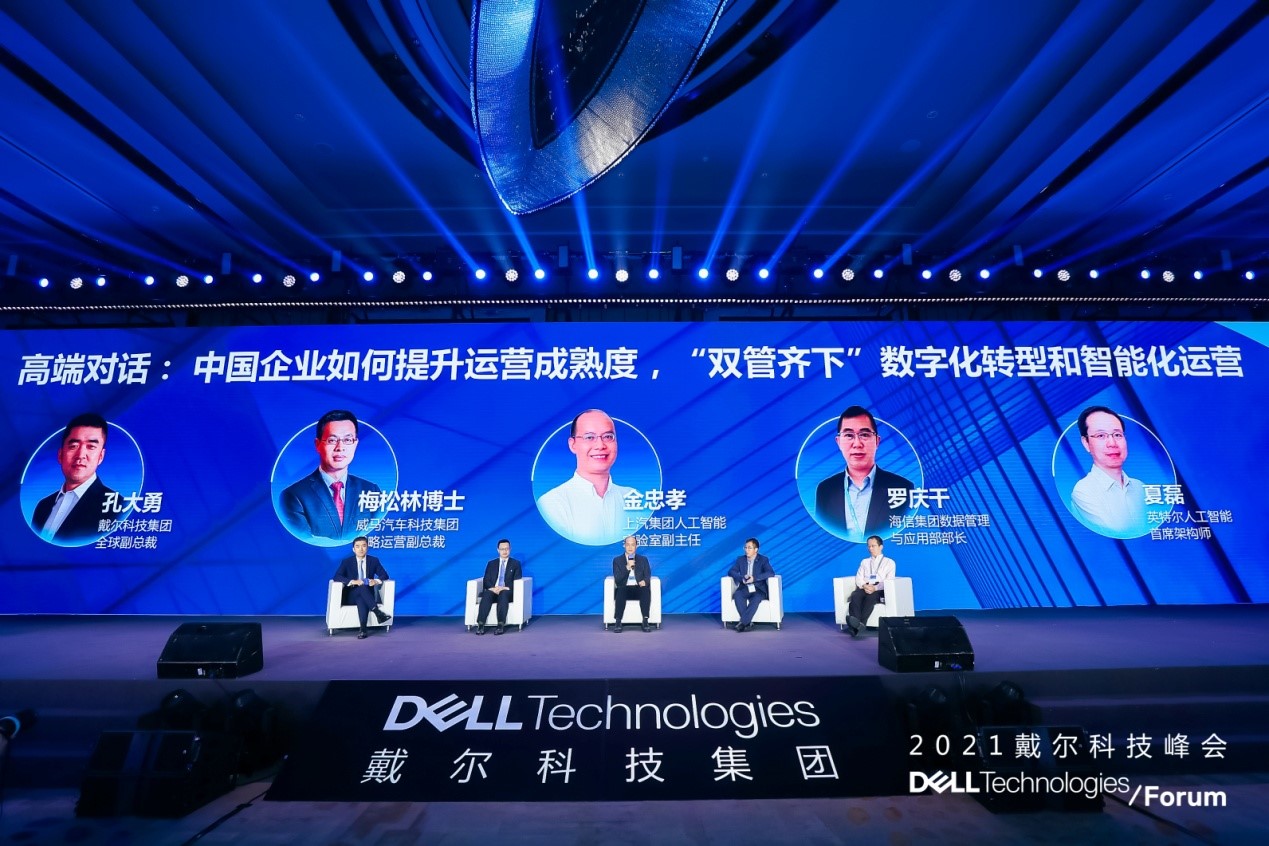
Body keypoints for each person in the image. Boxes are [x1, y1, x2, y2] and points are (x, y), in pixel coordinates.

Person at [537, 409, 641, 546]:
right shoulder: (553, 503)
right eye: (589, 437)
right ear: (572, 444)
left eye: (608, 437)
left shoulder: (633, 498)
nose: (600, 445)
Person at [280, 410, 384, 542]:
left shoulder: (371, 490)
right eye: (332, 440)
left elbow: (377, 532)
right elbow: (306, 542)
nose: (340, 447)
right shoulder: (294, 495)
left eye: (347, 440)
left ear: (355, 444)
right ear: (318, 444)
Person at [815, 405, 915, 541]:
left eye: (865, 435)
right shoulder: (825, 490)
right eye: (849, 435)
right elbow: (821, 537)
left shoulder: (903, 488)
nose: (857, 444)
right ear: (838, 442)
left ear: (877, 441)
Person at [30, 413, 117, 544]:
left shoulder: (115, 507)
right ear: (60, 455)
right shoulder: (43, 506)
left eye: (91, 447)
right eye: (73, 446)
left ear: (101, 456)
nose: (80, 455)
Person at [1070, 406, 1147, 537]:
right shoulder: (1083, 491)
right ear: (1086, 443)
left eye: (1117, 435)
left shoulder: (1140, 487)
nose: (1112, 443)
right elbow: (1119, 535)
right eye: (1101, 435)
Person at [331, 536, 390, 639]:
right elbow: (337, 576)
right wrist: (352, 581)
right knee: (361, 588)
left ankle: (363, 629)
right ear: (353, 549)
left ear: (367, 547)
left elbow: (384, 575)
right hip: (350, 596)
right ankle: (377, 613)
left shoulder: (373, 560)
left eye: (363, 546)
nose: (361, 549)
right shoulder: (347, 562)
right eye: (357, 546)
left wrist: (375, 581)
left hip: (367, 596)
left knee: (361, 596)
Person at [845, 535, 896, 637]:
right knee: (855, 596)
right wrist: (864, 586)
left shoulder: (889, 562)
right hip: (865, 586)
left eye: (873, 546)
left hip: (879, 589)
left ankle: (859, 625)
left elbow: (889, 581)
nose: (870, 548)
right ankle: (858, 626)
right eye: (869, 546)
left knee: (870, 598)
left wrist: (875, 588)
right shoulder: (865, 562)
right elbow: (859, 577)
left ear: (881, 547)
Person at [475, 539, 522, 635]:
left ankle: (500, 625)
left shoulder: (515, 564)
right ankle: (480, 624)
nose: (505, 551)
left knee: (503, 594)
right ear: (498, 550)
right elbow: (486, 580)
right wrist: (493, 588)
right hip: (494, 589)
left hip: (507, 591)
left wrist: (504, 588)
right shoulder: (491, 563)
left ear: (510, 549)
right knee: (487, 594)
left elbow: (517, 580)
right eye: (502, 549)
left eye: (507, 549)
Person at [727, 537, 774, 632]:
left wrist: (754, 578)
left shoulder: (763, 560)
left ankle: (743, 623)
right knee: (737, 594)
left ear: (756, 549)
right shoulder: (740, 559)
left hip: (759, 588)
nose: (746, 550)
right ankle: (748, 622)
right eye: (745, 547)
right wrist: (742, 578)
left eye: (749, 548)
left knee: (756, 598)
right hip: (745, 587)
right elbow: (731, 571)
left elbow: (770, 573)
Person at [610, 535, 652, 633]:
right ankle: (618, 621)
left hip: (638, 588)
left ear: (636, 546)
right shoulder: (617, 560)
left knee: (645, 589)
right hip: (624, 588)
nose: (630, 547)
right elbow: (618, 579)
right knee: (621, 589)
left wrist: (644, 581)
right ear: (624, 546)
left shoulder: (643, 559)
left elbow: (647, 575)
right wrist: (627, 568)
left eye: (632, 545)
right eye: (628, 545)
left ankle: (645, 620)